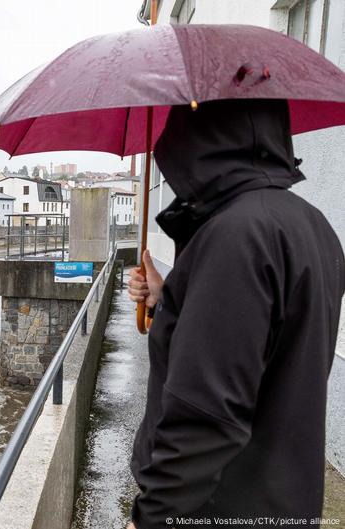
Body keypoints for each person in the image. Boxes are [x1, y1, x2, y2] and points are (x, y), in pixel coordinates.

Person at [125, 99, 344, 529]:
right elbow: (262, 344)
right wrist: (168, 299)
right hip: (283, 498)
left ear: (200, 142)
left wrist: (151, 518)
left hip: (220, 505)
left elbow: (207, 416)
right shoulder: (313, 226)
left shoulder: (237, 235)